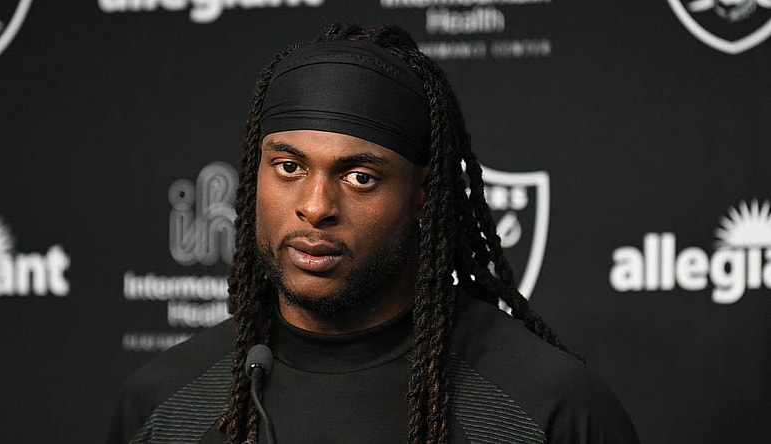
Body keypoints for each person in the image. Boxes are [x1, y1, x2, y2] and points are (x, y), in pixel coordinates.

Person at [108, 23, 641, 444]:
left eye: (359, 177)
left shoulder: (548, 409)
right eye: (289, 168)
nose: (315, 208)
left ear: (424, 195)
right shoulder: (161, 407)